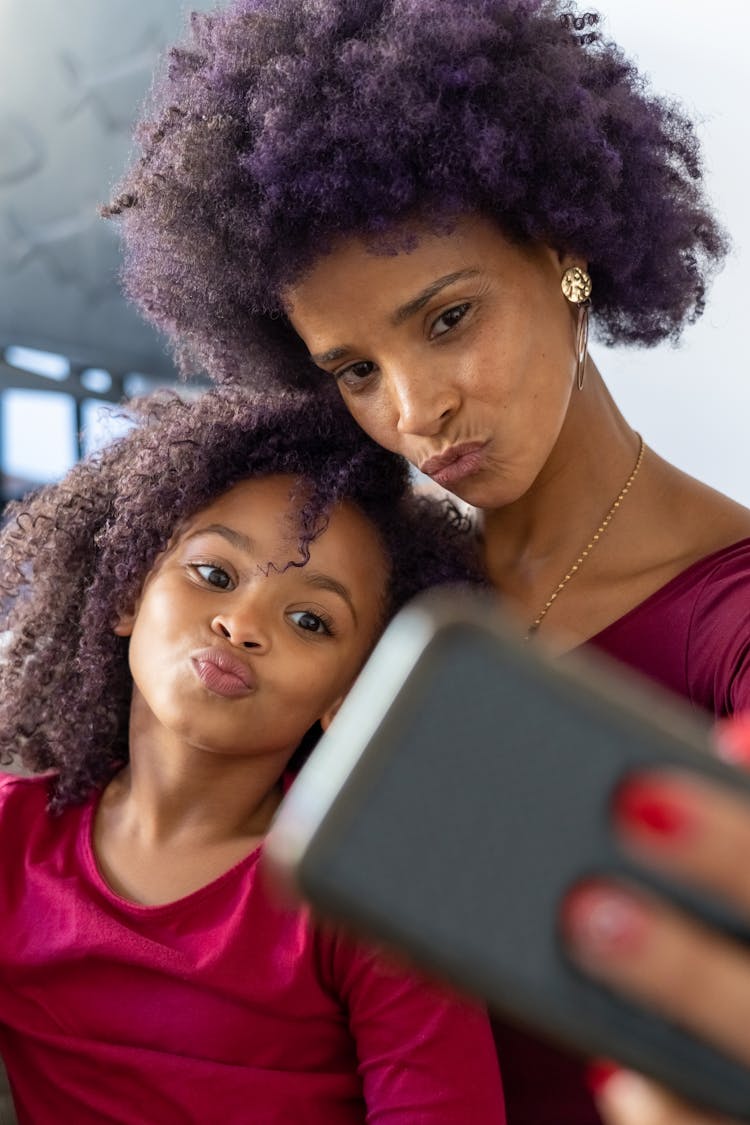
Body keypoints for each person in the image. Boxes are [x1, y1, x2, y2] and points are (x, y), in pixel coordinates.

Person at [106, 2, 750, 1121]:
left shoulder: (729, 618)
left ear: (565, 252)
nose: (416, 410)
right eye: (354, 369)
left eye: (448, 318)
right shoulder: (356, 617)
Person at [0, 387, 506, 1124]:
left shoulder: (368, 892)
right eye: (213, 574)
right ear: (126, 595)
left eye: (310, 619)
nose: (241, 624)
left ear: (353, 693)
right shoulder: (13, 836)